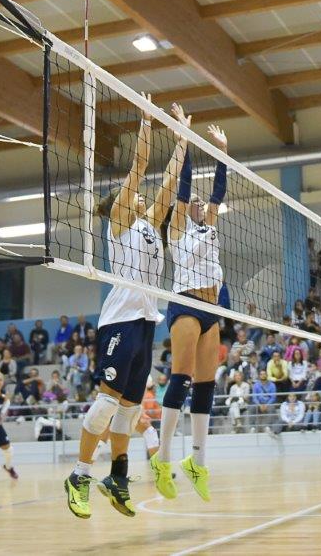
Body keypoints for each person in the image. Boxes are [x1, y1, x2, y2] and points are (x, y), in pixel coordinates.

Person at [64, 109, 185, 520]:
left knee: (130, 410)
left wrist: (183, 139)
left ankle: (117, 476)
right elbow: (140, 166)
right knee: (105, 404)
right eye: (131, 193)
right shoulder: (118, 222)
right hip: (120, 320)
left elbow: (167, 185)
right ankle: (79, 475)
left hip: (147, 320)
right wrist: (148, 125)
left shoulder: (150, 223)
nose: (139, 194)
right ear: (119, 203)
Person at [153, 118, 230, 504]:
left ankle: (197, 461)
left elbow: (218, 190)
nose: (201, 205)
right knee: (180, 378)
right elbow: (184, 190)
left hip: (211, 308)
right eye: (195, 203)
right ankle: (163, 459)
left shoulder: (211, 223)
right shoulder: (178, 227)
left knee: (206, 385)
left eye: (203, 204)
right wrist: (183, 142)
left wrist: (222, 154)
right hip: (185, 302)